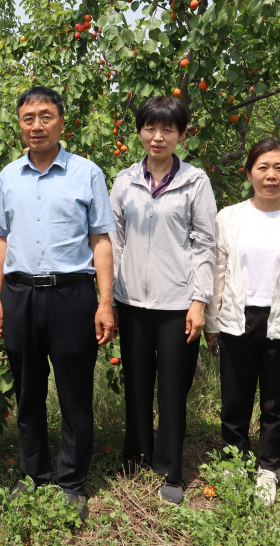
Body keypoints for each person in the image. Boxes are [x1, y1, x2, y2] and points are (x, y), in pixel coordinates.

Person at [0, 86, 116, 520]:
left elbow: (100, 240)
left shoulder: (86, 172)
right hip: (19, 294)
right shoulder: (8, 176)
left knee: (74, 392)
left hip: (71, 294)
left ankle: (72, 481)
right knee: (28, 390)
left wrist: (105, 302)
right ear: (20, 125)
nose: (37, 125)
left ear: (62, 121)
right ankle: (33, 474)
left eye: (45, 116)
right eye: (28, 118)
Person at [108, 96, 217, 505]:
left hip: (177, 303)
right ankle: (135, 455)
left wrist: (199, 301)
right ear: (140, 131)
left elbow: (205, 243)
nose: (158, 136)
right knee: (136, 383)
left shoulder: (195, 181)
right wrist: (110, 298)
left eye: (167, 129)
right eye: (150, 128)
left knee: (173, 388)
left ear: (181, 135)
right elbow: (115, 242)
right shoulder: (124, 181)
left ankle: (170, 468)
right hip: (132, 300)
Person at [204, 139, 280, 507]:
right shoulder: (229, 217)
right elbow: (218, 271)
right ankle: (235, 459)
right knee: (235, 397)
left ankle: (268, 466)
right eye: (263, 168)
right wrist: (212, 320)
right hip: (238, 317)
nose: (271, 176)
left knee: (277, 399)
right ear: (249, 173)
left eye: (279, 168)